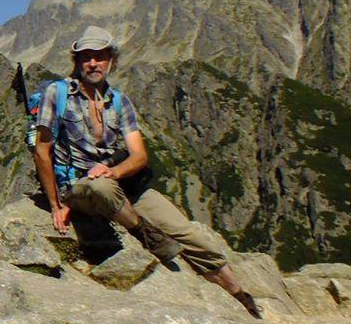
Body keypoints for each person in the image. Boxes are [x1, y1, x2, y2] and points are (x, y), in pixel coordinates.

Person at [34, 26, 262, 319]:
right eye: (86, 57)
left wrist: (115, 171)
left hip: (120, 184)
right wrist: (55, 203)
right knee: (101, 187)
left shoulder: (119, 101)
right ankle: (145, 233)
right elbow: (42, 150)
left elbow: (139, 155)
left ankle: (240, 296)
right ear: (77, 61)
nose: (93, 63)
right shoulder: (58, 93)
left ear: (111, 61)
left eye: (99, 57)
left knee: (191, 235)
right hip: (78, 185)